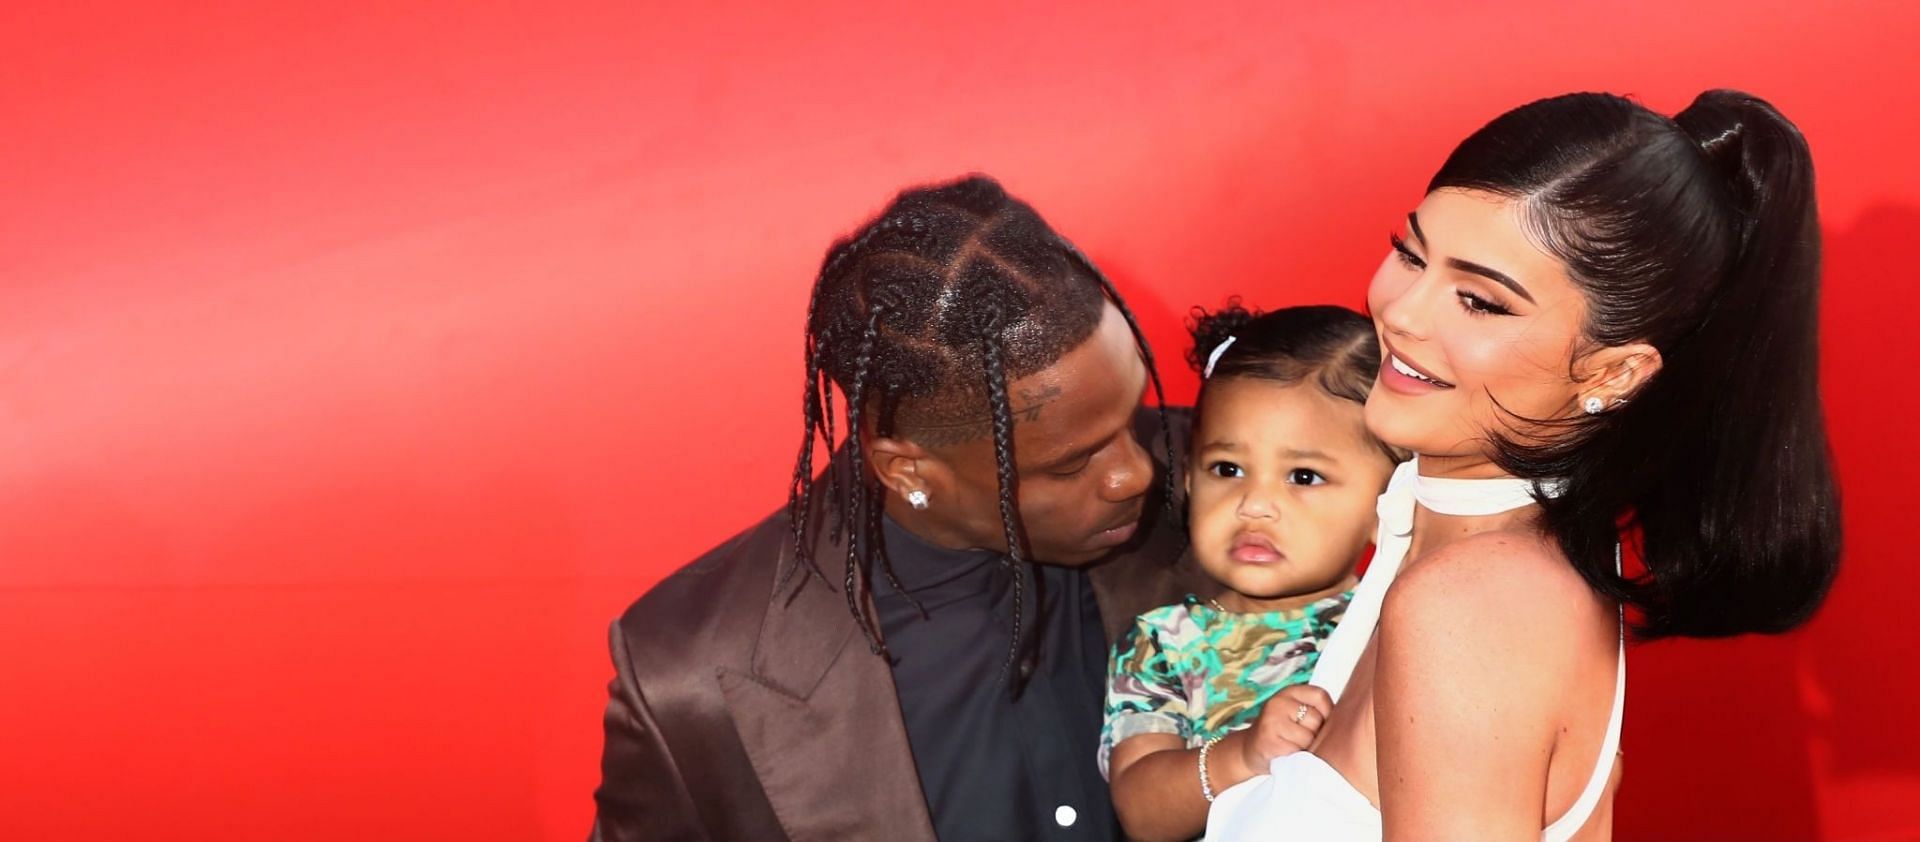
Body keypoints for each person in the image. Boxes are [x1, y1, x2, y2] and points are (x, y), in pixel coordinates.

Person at [1206, 89, 1841, 841]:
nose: (1403, 311)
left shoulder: (1467, 606)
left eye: (1479, 301)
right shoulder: (1463, 543)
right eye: (1411, 253)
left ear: (1611, 373)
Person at [589, 175, 1217, 842]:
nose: (1135, 471)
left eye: (1130, 413)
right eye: (1071, 462)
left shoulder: (1236, 493)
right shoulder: (694, 676)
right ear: (910, 471)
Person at [1101, 303, 1402, 841]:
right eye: (1227, 469)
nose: (1254, 504)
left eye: (1304, 476)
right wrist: (1243, 754)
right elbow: (1141, 810)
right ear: (1190, 481)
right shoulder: (1167, 643)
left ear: (1388, 505)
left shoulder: (1403, 627)